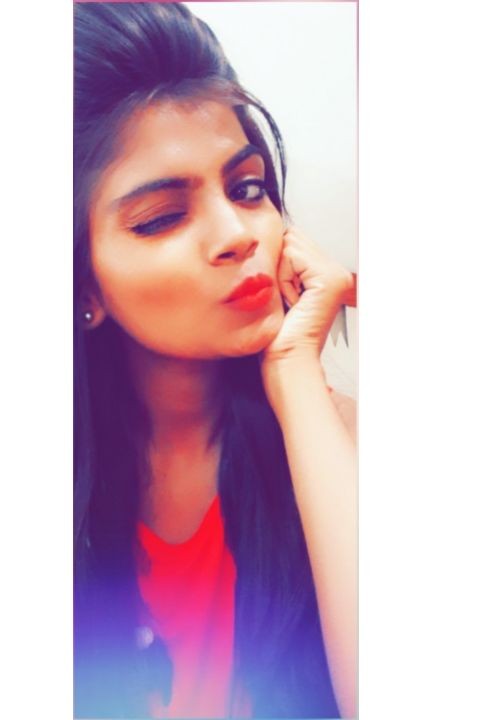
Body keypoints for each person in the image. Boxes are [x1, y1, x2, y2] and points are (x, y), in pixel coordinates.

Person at [74, 3, 357, 718]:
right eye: (162, 217)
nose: (237, 233)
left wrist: (295, 372)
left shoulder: (344, 447)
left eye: (248, 188)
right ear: (84, 287)